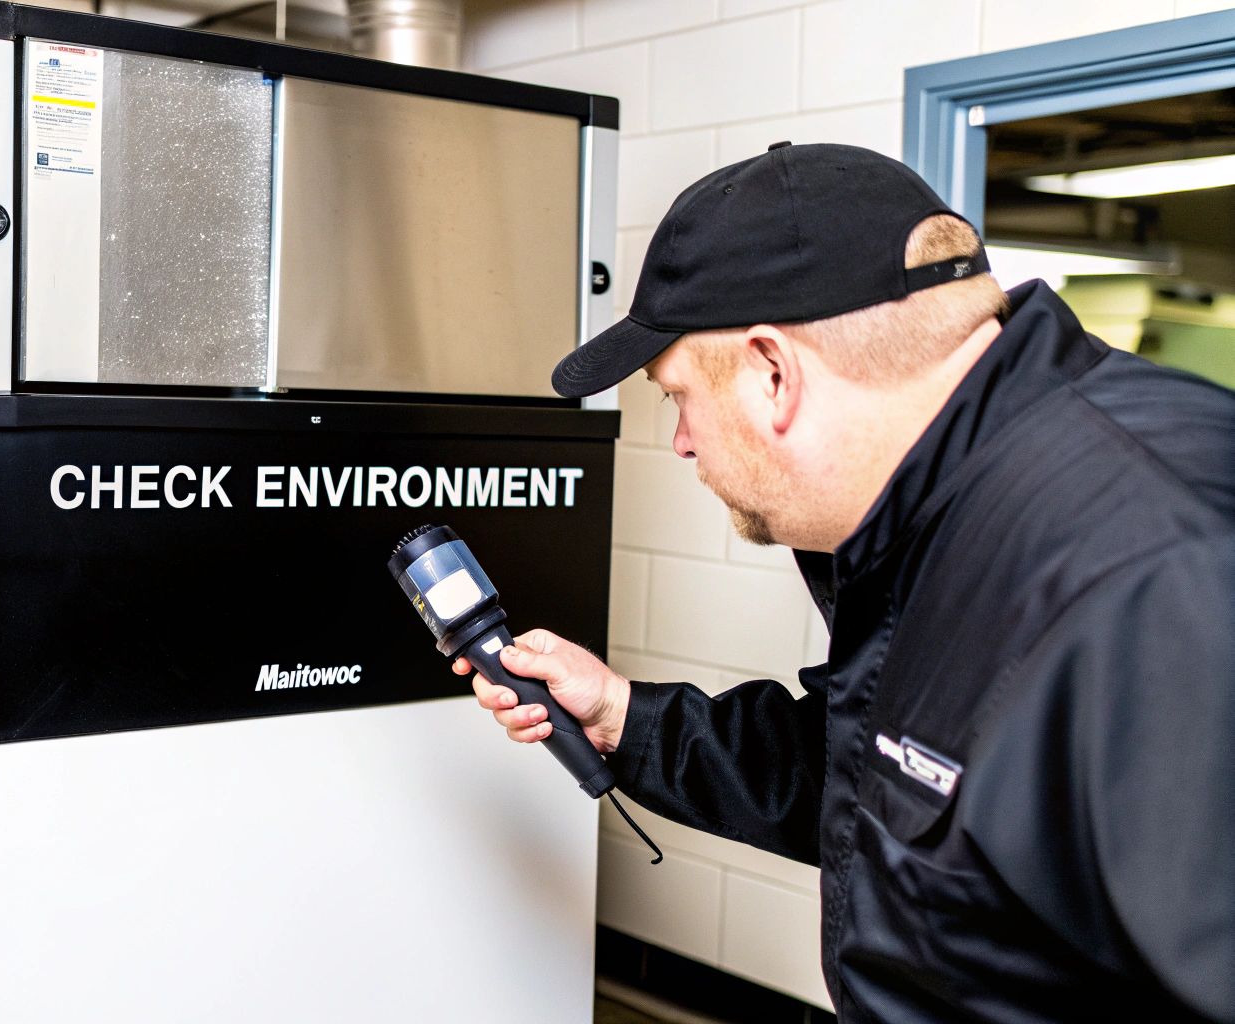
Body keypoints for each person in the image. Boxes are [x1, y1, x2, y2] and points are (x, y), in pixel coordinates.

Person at [456, 142, 1235, 1023]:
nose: (680, 442)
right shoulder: (939, 512)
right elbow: (878, 773)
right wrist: (622, 715)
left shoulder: (1162, 574)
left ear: (773, 373)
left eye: (676, 396)